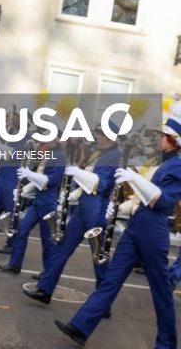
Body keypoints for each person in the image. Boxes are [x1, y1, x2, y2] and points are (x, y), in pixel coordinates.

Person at [55, 115, 181, 349]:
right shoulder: (157, 162)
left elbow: (163, 201)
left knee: (161, 289)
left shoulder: (177, 165)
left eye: (159, 134)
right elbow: (142, 199)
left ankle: (167, 343)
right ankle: (81, 326)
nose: (154, 136)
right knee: (111, 279)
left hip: (153, 228)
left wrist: (135, 178)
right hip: (138, 224)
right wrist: (121, 207)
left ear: (173, 140)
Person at [24, 124, 121, 305]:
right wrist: (73, 194)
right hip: (85, 205)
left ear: (110, 137)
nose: (97, 137)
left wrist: (77, 173)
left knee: (98, 257)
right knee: (61, 247)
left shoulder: (115, 155)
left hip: (97, 209)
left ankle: (103, 302)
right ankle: (45, 289)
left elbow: (102, 184)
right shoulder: (97, 153)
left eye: (100, 134)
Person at [0, 135, 67, 274]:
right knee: (22, 231)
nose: (45, 141)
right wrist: (24, 190)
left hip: (48, 201)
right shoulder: (50, 154)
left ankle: (48, 272)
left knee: (47, 241)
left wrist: (29, 174)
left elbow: (52, 180)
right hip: (39, 200)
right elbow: (39, 180)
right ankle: (15, 263)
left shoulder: (60, 156)